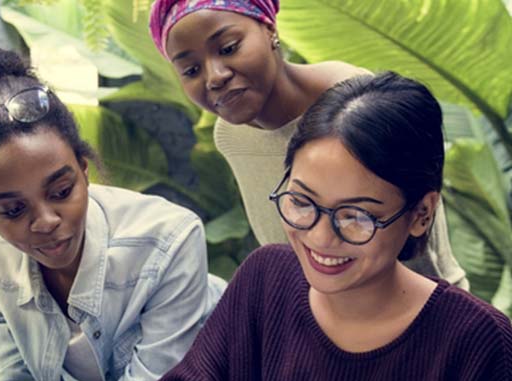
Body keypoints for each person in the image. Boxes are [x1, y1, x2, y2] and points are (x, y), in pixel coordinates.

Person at [142, 72, 512, 381]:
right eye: (302, 202)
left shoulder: (480, 342)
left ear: (421, 214)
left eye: (355, 216)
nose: (320, 237)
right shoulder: (266, 279)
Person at [0, 45, 226, 381]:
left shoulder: (168, 239)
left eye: (61, 191)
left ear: (84, 171)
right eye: (13, 210)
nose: (45, 221)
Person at [149, 0, 468, 288]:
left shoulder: (364, 106)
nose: (214, 76)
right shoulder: (231, 136)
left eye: (229, 48)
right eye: (191, 70)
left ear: (269, 29)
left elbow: (425, 250)